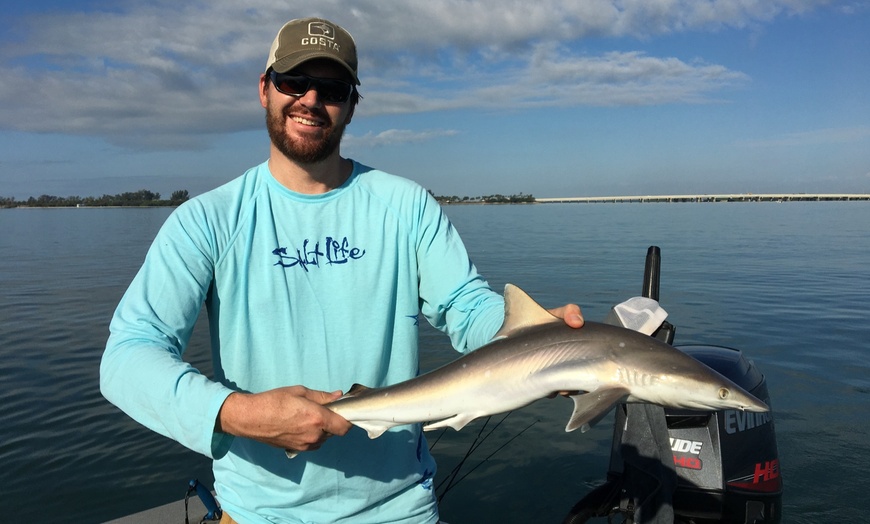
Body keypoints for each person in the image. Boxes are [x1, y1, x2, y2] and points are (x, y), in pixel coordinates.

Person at [100, 17, 583, 524]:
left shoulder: (406, 205)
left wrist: (533, 339)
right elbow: (127, 356)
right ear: (264, 89)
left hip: (398, 508)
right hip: (257, 512)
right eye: (292, 82)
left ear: (352, 104)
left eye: (331, 88)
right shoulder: (207, 220)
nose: (310, 99)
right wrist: (238, 414)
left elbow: (466, 305)